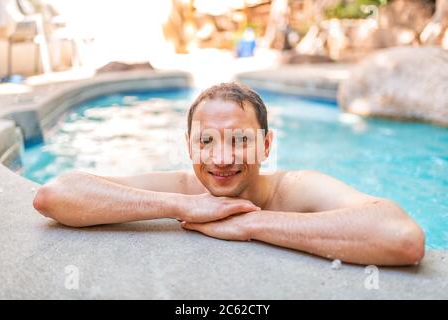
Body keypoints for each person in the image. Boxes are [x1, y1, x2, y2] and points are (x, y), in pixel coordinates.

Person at [33, 83, 425, 266]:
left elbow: (402, 238)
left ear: (267, 146)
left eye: (239, 140)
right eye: (206, 142)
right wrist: (180, 205)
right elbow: (54, 195)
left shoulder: (297, 188)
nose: (221, 158)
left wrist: (252, 224)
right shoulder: (183, 188)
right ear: (189, 146)